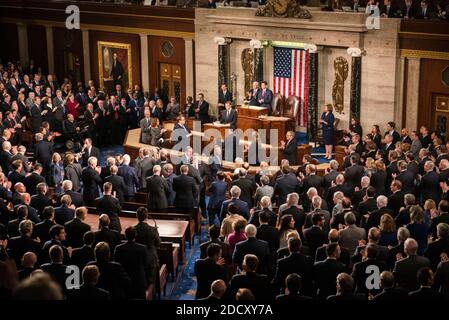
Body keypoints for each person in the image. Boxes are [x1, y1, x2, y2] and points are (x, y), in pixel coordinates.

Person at [114, 226, 150, 299]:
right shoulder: (143, 248)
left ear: (125, 235)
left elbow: (116, 264)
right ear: (135, 235)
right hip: (139, 282)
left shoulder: (118, 248)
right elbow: (146, 264)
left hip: (124, 282)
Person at [134, 207, 160, 287]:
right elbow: (158, 243)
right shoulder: (153, 230)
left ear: (137, 216)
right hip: (150, 259)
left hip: (138, 259)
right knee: (151, 281)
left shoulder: (134, 229)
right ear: (147, 216)